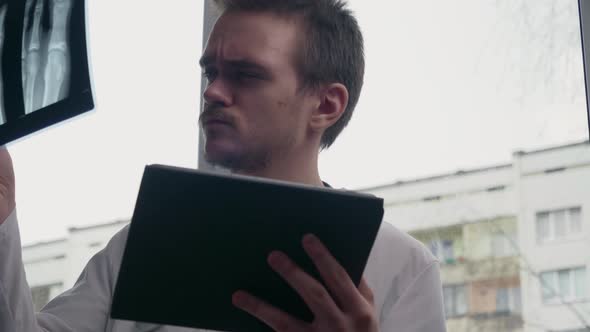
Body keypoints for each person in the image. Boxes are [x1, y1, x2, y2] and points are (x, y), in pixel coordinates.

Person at [0, 0, 447, 331]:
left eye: (246, 74)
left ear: (326, 104)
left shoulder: (402, 268)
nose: (212, 92)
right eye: (211, 73)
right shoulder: (147, 240)